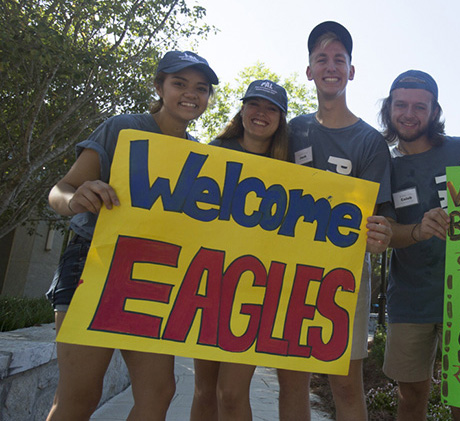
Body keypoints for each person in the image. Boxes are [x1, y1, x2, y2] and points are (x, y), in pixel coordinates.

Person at [45, 51, 218, 420]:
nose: (191, 94)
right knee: (79, 394)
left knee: (159, 391)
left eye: (201, 88)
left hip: (154, 279)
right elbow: (61, 190)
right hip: (92, 264)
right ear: (159, 86)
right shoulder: (122, 127)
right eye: (179, 84)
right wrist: (76, 198)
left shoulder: (203, 158)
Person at [283, 21, 392, 421]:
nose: (331, 66)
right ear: (309, 70)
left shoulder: (369, 141)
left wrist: (380, 235)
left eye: (339, 59)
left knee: (344, 382)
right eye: (321, 59)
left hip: (344, 278)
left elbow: (379, 221)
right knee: (291, 380)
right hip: (288, 272)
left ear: (351, 71)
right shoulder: (291, 130)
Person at [378, 70, 460, 421]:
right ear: (389, 108)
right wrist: (419, 231)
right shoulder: (384, 163)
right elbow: (385, 232)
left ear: (434, 111)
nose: (409, 113)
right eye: (401, 105)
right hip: (410, 298)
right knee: (410, 396)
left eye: (419, 106)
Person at [189, 79, 289, 421]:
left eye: (271, 108)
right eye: (254, 104)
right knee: (203, 389)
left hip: (254, 289)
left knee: (230, 393)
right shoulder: (214, 151)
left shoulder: (291, 167)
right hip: (208, 282)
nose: (261, 114)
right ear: (242, 108)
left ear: (281, 118)